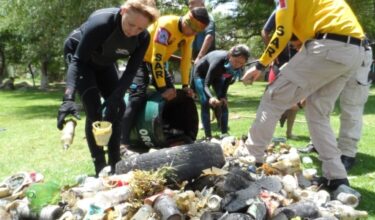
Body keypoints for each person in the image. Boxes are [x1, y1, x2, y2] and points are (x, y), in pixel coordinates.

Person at [241, 0, 369, 190]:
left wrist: (261, 64)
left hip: (329, 45)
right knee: (317, 112)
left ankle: (251, 161)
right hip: (356, 51)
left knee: (273, 97)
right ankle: (336, 177)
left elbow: (282, 31)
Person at [56, 0, 159, 176]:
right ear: (123, 10)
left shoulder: (143, 38)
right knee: (94, 110)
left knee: (117, 108)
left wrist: (116, 96)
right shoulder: (102, 23)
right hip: (80, 57)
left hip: (104, 62)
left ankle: (115, 162)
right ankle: (100, 166)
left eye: (140, 29)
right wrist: (68, 99)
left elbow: (131, 70)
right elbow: (78, 61)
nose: (132, 32)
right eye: (131, 24)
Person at [120, 7, 210, 150]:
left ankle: (170, 131)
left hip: (158, 62)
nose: (193, 34)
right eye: (193, 30)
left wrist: (186, 85)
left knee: (175, 94)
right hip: (140, 59)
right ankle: (122, 142)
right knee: (136, 97)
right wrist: (162, 89)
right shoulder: (166, 26)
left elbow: (186, 61)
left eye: (196, 32)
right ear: (187, 22)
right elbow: (157, 57)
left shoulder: (189, 35)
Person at [299, 40, 373, 171]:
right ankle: (318, 143)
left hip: (355, 50)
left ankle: (347, 153)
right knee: (318, 103)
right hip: (330, 51)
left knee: (352, 105)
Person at [193, 45, 250, 139]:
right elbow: (206, 84)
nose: (237, 65)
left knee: (224, 102)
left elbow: (226, 83)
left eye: (241, 63)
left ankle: (224, 134)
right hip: (201, 74)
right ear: (230, 55)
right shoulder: (218, 61)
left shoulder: (235, 67)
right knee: (205, 102)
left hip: (218, 76)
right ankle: (208, 136)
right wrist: (211, 97)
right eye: (236, 61)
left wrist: (223, 96)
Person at [261, 10, 302, 139]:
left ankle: (289, 132)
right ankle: (267, 132)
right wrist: (272, 54)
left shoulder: (304, 12)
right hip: (280, 62)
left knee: (295, 102)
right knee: (273, 96)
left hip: (298, 63)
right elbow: (264, 32)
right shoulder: (280, 9)